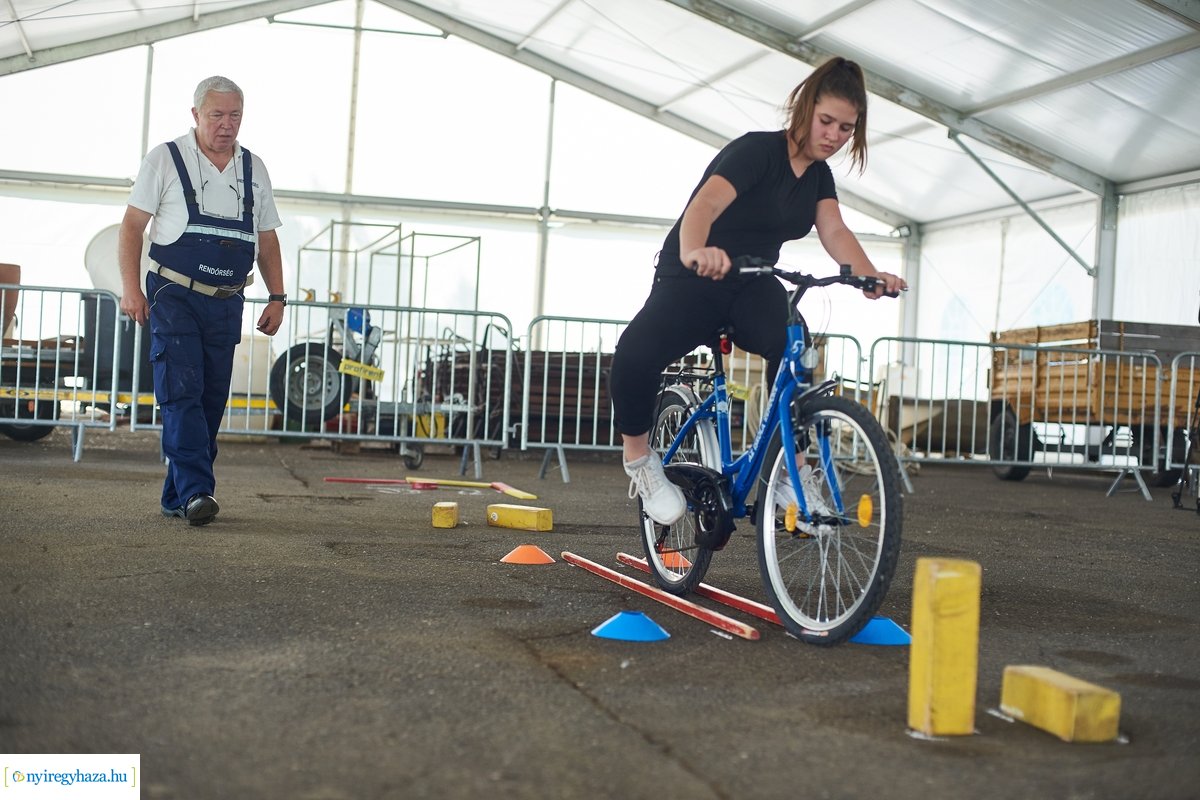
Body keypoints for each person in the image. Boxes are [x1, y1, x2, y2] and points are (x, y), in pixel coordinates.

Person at [609, 56, 907, 525]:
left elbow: (834, 231)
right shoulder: (755, 152)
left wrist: (867, 274)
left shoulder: (818, 178)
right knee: (634, 353)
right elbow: (703, 205)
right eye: (826, 120)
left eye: (847, 128)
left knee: (794, 342)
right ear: (804, 109)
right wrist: (695, 251)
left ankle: (792, 468)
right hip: (694, 274)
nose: (834, 135)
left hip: (750, 279)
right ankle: (641, 462)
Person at [118, 75, 287, 527]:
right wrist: (131, 288)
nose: (226, 125)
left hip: (227, 300)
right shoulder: (165, 160)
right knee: (182, 392)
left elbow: (266, 239)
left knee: (210, 401)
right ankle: (197, 491)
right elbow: (132, 226)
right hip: (173, 293)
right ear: (196, 115)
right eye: (217, 115)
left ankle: (177, 495)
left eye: (235, 116)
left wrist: (277, 296)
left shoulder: (254, 168)